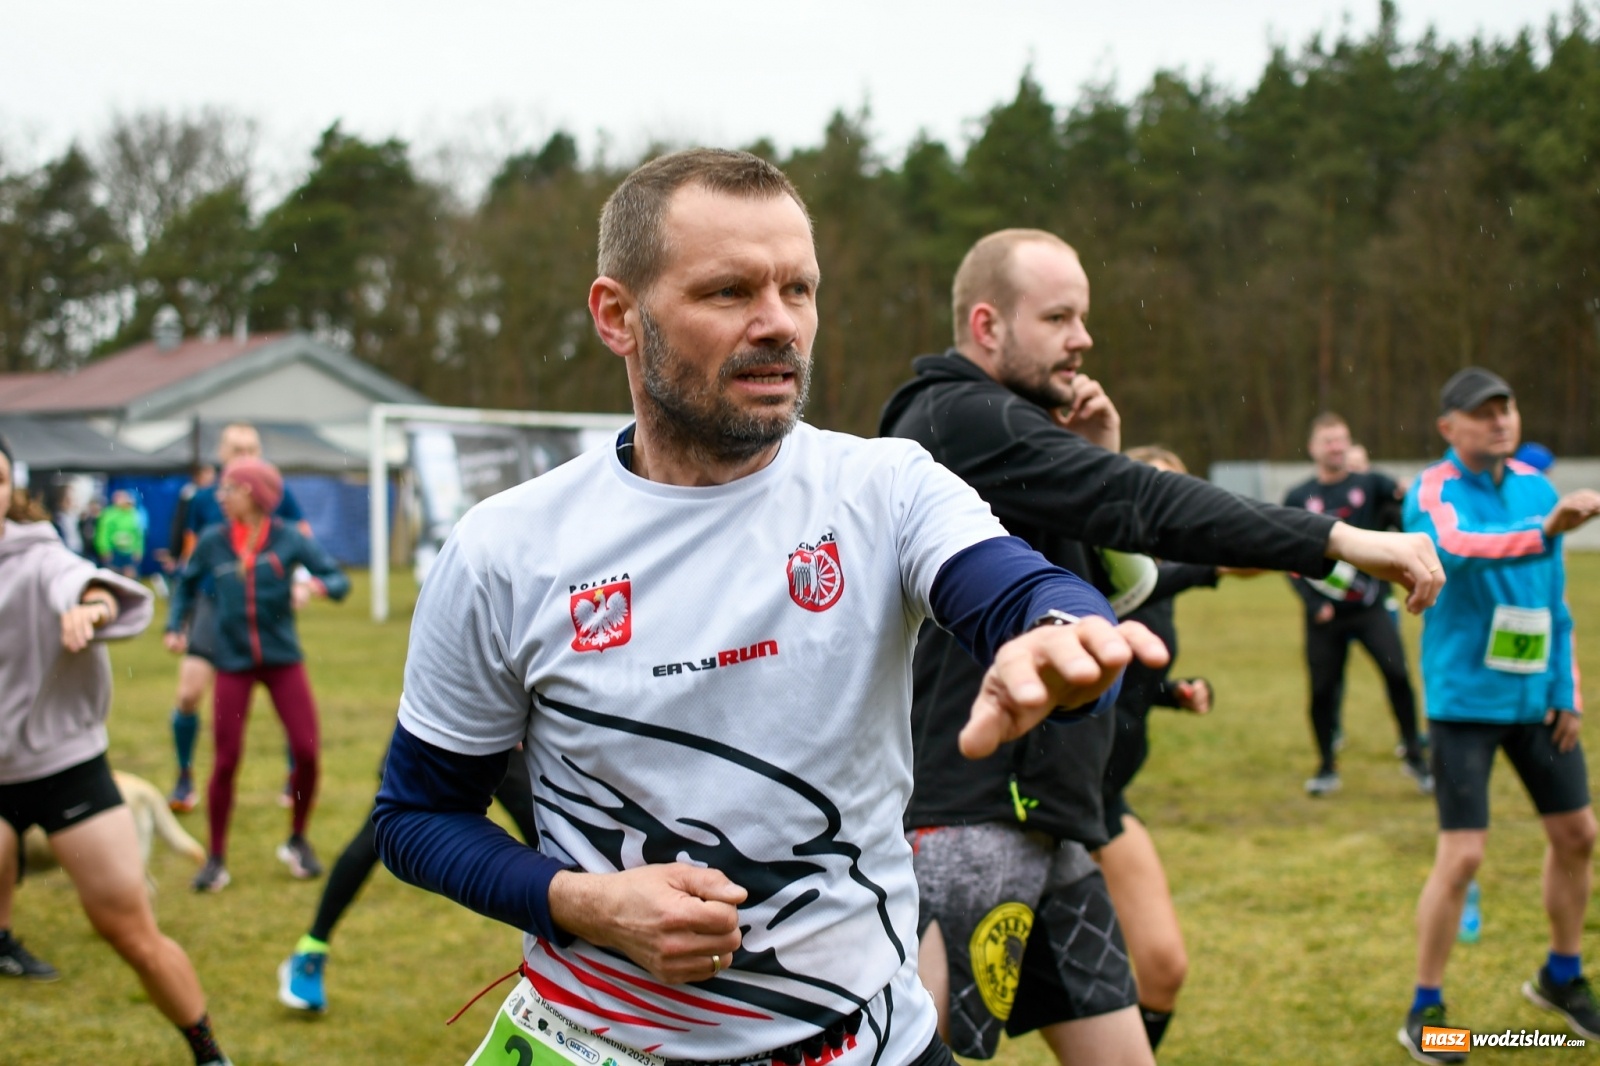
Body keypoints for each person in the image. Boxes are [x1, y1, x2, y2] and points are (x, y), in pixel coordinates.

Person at [371, 148, 1169, 1066]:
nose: (779, 324)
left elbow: (1014, 584)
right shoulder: (508, 548)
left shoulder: (882, 487)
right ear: (617, 316)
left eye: (800, 288)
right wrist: (584, 903)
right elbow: (417, 816)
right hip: (597, 1045)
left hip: (873, 1043)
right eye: (729, 292)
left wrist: (1059, 636)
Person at [878, 228, 1444, 1064]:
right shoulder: (957, 416)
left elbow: (1113, 581)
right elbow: (1141, 500)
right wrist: (1335, 538)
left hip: (1055, 820)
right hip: (966, 819)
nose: (1084, 338)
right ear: (988, 326)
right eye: (1061, 317)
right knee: (916, 1049)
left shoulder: (1011, 432)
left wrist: (1088, 455)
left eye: (1086, 317)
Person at [0, 433, 234, 1066]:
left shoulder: (38, 554)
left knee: (130, 932)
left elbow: (86, 586)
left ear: (11, 490)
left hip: (63, 766)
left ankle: (208, 1051)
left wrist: (92, 611)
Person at [1398, 367, 1600, 1062]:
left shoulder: (1536, 487)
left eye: (1507, 408)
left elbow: (1556, 604)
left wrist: (1565, 690)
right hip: (1464, 704)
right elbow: (1455, 550)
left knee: (1578, 834)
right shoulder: (1432, 491)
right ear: (1448, 426)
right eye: (1482, 413)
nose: (1500, 420)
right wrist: (1545, 528)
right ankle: (1426, 1009)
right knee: (1464, 855)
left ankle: (1561, 978)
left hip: (1536, 702)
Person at [1094, 445, 1231, 1053]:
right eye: (1156, 497)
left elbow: (1128, 678)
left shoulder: (1158, 580)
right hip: (1033, 803)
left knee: (1163, 969)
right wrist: (1308, 545)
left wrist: (1174, 692)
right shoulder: (1095, 562)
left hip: (1106, 801)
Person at [165, 457, 349, 892]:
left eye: (228, 489)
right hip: (232, 661)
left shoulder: (288, 538)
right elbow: (186, 586)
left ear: (251, 494)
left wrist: (314, 586)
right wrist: (175, 625)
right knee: (226, 760)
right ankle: (215, 858)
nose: (220, 497)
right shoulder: (212, 541)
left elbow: (338, 580)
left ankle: (298, 841)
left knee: (306, 752)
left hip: (283, 659)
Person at [277, 748, 540, 1014]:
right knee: (378, 834)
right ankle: (310, 951)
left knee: (547, 843)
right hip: (437, 731)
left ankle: (548, 969)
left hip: (508, 739)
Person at [1284, 412, 1429, 797]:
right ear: (1313, 448)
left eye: (1341, 439)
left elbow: (1409, 505)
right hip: (1324, 617)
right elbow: (1288, 558)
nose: (1336, 446)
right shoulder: (1299, 498)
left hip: (1370, 607)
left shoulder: (1371, 483)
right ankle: (1326, 766)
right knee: (1322, 691)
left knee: (1398, 676)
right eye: (1328, 440)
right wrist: (1313, 603)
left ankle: (1416, 757)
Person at [167, 424, 309, 813]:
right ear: (222, 454)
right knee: (189, 694)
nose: (246, 455)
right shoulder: (206, 499)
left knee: (288, 697)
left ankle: (293, 778)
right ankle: (184, 776)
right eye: (237, 449)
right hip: (213, 607)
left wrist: (300, 581)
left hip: (262, 610)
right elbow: (190, 555)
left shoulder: (276, 492)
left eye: (253, 448)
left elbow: (300, 538)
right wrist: (178, 619)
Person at [95, 489, 145, 578]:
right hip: (114, 551)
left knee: (130, 576)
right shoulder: (109, 514)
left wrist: (138, 550)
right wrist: (104, 549)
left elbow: (138, 535)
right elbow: (103, 533)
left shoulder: (134, 515)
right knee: (113, 576)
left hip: (129, 552)